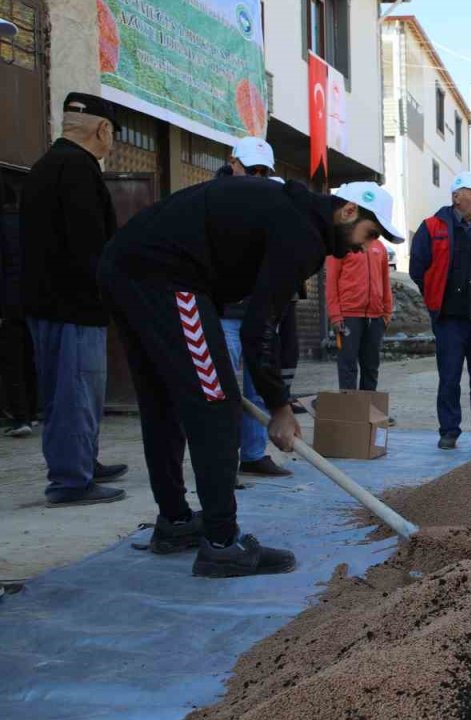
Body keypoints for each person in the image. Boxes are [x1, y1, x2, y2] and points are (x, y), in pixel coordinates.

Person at [98, 176, 401, 577]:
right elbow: (258, 328)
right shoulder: (302, 232)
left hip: (128, 269)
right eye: (370, 232)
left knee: (165, 401)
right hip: (165, 277)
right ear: (348, 211)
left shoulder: (293, 215)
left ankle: (174, 523)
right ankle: (222, 544)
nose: (366, 246)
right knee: (216, 404)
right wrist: (279, 406)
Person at [19, 92, 128, 507]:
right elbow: (90, 247)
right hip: (75, 308)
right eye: (112, 134)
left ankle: (81, 461)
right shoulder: (80, 171)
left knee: (64, 392)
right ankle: (71, 480)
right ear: (102, 129)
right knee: (76, 393)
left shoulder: (45, 167)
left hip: (44, 304)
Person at [409, 171, 471, 450]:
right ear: (456, 197)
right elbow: (418, 269)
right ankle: (449, 431)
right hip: (450, 320)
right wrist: (435, 298)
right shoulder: (431, 227)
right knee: (450, 377)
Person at [216, 138, 291, 479]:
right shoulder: (213, 201)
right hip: (223, 313)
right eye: (251, 169)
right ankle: (221, 460)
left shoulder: (270, 204)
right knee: (223, 392)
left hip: (258, 314)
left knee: (258, 388)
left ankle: (254, 453)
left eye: (263, 172)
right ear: (233, 163)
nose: (257, 177)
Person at [326, 184, 395, 392]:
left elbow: (385, 281)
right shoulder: (341, 242)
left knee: (371, 367)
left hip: (375, 317)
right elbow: (331, 282)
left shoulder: (380, 247)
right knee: (347, 367)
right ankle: (350, 416)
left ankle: (368, 415)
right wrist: (336, 316)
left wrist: (386, 314)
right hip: (348, 316)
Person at [0, 184, 37, 439]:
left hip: (8, 304)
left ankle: (20, 417)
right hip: (36, 302)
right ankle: (33, 413)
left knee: (12, 361)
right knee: (31, 358)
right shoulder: (30, 225)